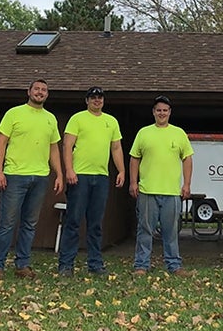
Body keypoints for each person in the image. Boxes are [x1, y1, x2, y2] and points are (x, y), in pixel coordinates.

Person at [0, 79, 63, 279]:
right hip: (14, 175)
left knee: (29, 224)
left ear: (47, 95)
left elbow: (53, 148)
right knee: (7, 223)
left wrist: (59, 174)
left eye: (44, 90)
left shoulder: (50, 119)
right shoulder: (14, 114)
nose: (40, 92)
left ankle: (22, 264)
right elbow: (1, 143)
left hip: (40, 177)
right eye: (37, 89)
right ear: (28, 91)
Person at [57, 86, 126, 277]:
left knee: (95, 223)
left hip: (101, 177)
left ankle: (95, 264)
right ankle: (66, 265)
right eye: (93, 97)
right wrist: (69, 170)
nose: (97, 100)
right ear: (87, 100)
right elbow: (67, 145)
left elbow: (116, 148)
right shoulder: (77, 118)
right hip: (80, 176)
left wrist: (121, 170)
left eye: (100, 97)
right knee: (73, 220)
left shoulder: (111, 121)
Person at [129, 95, 194, 276]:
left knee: (171, 231)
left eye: (165, 110)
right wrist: (133, 182)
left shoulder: (179, 133)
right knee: (145, 230)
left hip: (171, 192)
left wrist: (187, 184)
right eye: (159, 110)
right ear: (153, 112)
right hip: (147, 190)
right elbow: (134, 158)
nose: (162, 113)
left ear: (170, 112)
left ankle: (174, 266)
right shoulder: (144, 133)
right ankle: (141, 265)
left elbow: (187, 159)